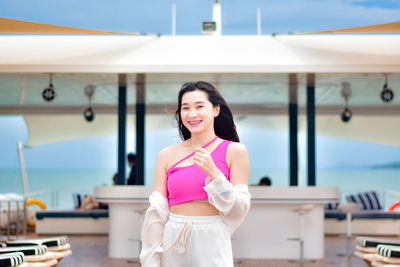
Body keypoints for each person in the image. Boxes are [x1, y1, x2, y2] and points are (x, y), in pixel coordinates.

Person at [140, 81, 251, 266]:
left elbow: (238, 210)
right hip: (173, 237)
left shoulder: (235, 151)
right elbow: (156, 213)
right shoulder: (166, 155)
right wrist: (151, 260)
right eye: (185, 108)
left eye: (199, 106)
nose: (192, 114)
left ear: (215, 110)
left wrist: (214, 174)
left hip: (212, 236)